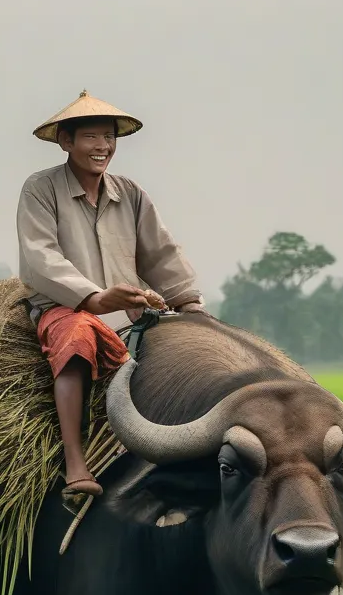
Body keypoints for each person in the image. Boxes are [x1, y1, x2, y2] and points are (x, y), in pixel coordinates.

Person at [17, 90, 207, 499]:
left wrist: (188, 301)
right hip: (64, 307)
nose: (102, 147)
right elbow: (40, 256)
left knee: (191, 351)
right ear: (66, 142)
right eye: (90, 137)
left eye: (109, 137)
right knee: (78, 338)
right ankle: (75, 462)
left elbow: (160, 251)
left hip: (130, 313)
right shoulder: (41, 189)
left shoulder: (130, 194)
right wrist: (93, 298)